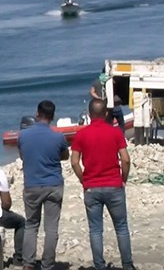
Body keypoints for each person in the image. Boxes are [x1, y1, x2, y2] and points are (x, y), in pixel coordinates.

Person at [71, 99, 135, 270]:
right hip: (114, 184)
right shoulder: (115, 133)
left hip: (92, 186)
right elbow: (126, 159)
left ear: (89, 114)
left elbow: (75, 162)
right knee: (121, 227)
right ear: (106, 114)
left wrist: (83, 179)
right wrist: (124, 179)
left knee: (95, 229)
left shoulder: (81, 135)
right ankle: (127, 265)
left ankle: (99, 265)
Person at [17, 100, 69, 270]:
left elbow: (24, 156)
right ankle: (47, 264)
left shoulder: (23, 135)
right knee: (51, 227)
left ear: (37, 114)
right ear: (53, 116)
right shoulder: (58, 137)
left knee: (31, 225)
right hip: (53, 183)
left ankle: (28, 263)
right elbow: (65, 156)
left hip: (32, 183)